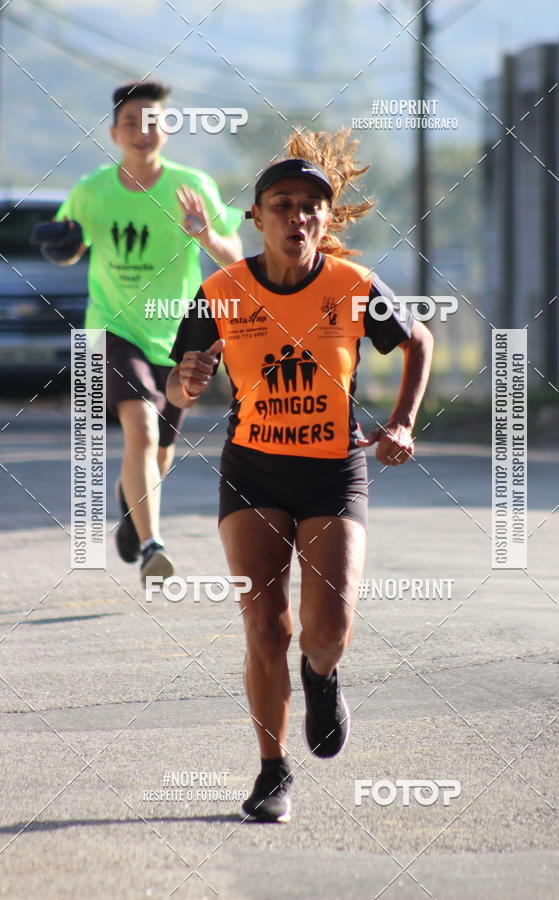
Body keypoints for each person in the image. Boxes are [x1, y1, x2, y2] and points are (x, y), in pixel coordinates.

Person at [166, 130, 433, 823]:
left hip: (332, 473)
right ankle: (271, 771)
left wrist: (402, 421)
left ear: (325, 218)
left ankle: (323, 675)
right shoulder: (221, 291)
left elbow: (419, 339)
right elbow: (184, 379)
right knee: (264, 625)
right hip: (252, 467)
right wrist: (186, 381)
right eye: (282, 204)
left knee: (326, 630)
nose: (298, 216)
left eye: (312, 205)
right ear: (256, 218)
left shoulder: (353, 286)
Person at [44, 81, 243, 583]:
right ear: (114, 132)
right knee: (142, 428)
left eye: (152, 121)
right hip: (109, 329)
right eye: (131, 122)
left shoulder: (191, 185)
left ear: (167, 129)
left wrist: (205, 233)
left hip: (180, 335)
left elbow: (235, 257)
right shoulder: (93, 189)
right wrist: (57, 242)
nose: (142, 131)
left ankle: (132, 508)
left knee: (159, 450)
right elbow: (65, 242)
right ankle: (154, 544)